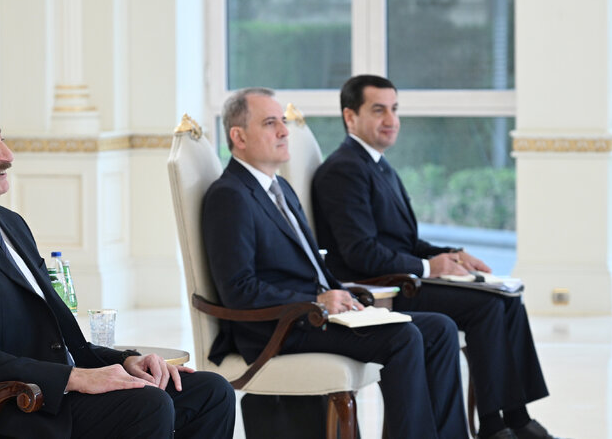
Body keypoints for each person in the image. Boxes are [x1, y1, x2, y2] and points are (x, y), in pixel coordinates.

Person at [0, 103, 235, 439]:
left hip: (51, 393)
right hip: (8, 409)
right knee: (148, 405)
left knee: (211, 392)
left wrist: (125, 361)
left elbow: (61, 338)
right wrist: (78, 378)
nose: (8, 154)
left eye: (2, 139)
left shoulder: (9, 223)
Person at [202, 87, 468, 438]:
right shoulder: (230, 196)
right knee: (403, 337)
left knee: (439, 328)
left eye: (282, 122)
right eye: (270, 123)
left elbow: (315, 267)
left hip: (315, 315)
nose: (283, 131)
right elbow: (238, 289)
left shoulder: (280, 188)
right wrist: (315, 301)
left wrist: (345, 295)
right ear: (238, 137)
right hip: (279, 327)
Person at [312, 74, 559, 439]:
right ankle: (494, 426)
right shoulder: (343, 170)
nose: (391, 120)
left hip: (403, 277)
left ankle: (515, 417)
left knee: (507, 297)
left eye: (394, 109)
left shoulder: (378, 165)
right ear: (350, 116)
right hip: (381, 288)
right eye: (379, 110)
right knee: (487, 306)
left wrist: (451, 255)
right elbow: (360, 253)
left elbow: (405, 241)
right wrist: (429, 267)